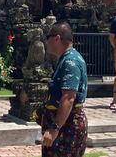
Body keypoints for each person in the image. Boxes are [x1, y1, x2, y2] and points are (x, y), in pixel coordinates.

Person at [40, 22, 88, 157]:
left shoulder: (70, 62)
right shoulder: (66, 59)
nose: (46, 41)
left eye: (48, 37)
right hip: (64, 124)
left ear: (57, 38)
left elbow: (68, 97)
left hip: (67, 127)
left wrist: (55, 128)